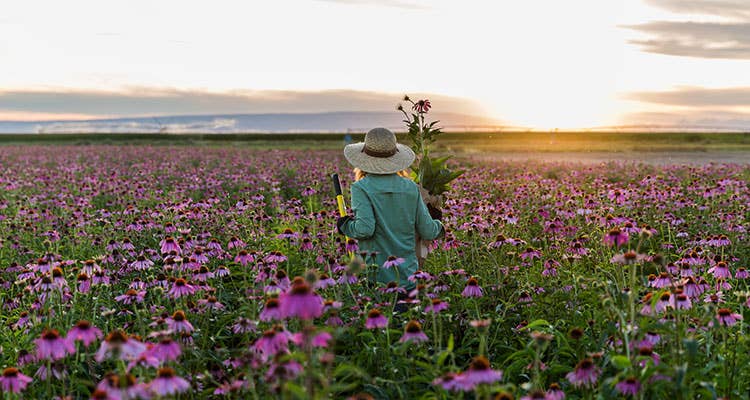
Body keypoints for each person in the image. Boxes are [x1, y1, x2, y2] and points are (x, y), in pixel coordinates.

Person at [336, 127, 443, 289]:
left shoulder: (361, 188)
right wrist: (437, 221)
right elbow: (428, 231)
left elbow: (365, 229)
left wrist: (345, 225)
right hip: (408, 278)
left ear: (365, 159)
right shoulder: (411, 187)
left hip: (376, 277)